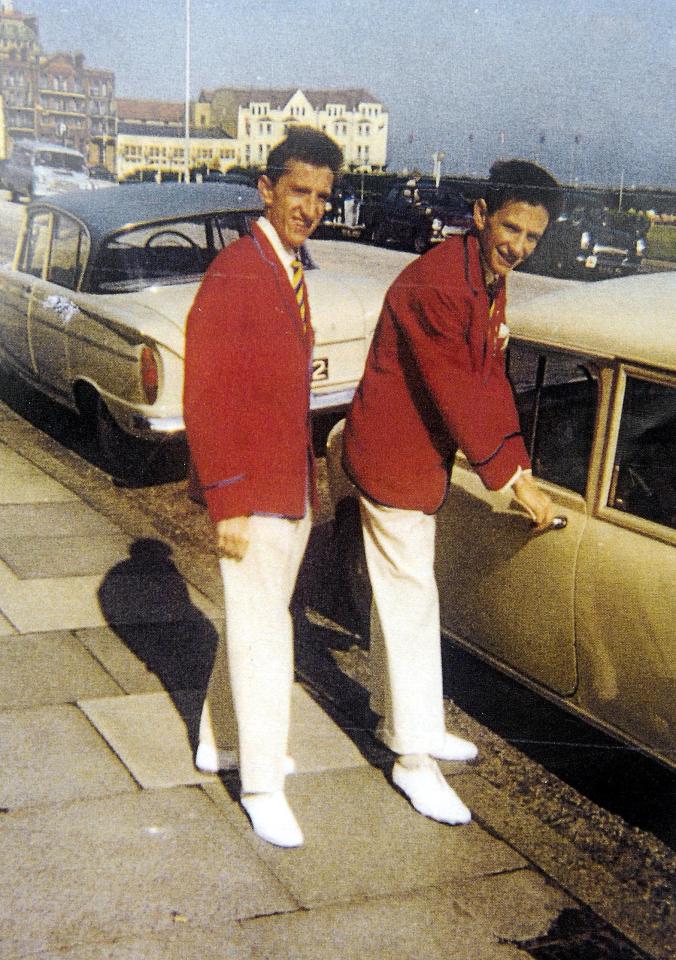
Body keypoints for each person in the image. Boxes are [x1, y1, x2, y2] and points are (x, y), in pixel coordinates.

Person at [341, 159, 564, 827]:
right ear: (479, 216)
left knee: (405, 595)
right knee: (409, 600)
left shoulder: (485, 276)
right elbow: (462, 393)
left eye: (532, 236)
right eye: (510, 228)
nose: (519, 246)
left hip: (417, 458)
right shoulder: (441, 285)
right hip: (392, 457)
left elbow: (491, 376)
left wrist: (518, 467)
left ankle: (400, 720)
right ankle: (412, 759)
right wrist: (508, 480)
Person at [183, 126, 343, 848]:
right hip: (251, 491)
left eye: (321, 196)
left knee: (257, 619)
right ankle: (261, 785)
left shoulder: (285, 266)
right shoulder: (236, 271)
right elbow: (207, 396)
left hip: (288, 485)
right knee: (263, 633)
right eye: (297, 191)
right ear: (266, 190)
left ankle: (217, 740)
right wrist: (228, 501)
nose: (308, 206)